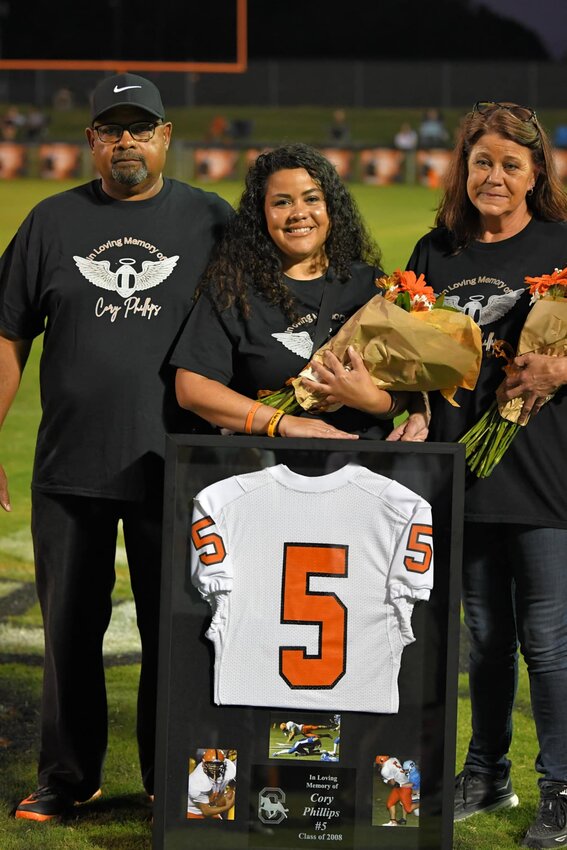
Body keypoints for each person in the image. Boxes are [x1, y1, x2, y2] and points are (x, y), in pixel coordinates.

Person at [0, 72, 232, 822]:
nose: (126, 139)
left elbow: (253, 329)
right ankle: (69, 776)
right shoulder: (50, 222)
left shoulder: (211, 219)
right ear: (92, 141)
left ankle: (173, 772)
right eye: (111, 129)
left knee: (182, 625)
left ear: (166, 137)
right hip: (73, 463)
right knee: (68, 628)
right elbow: (8, 335)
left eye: (140, 127)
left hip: (182, 464)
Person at [406, 101, 567, 849]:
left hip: (544, 471)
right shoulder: (435, 253)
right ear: (461, 169)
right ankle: (487, 771)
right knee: (482, 637)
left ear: (535, 172)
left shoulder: (563, 244)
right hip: (462, 472)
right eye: (480, 161)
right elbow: (407, 358)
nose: (493, 175)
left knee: (546, 639)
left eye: (509, 163)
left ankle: (560, 791)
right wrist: (405, 404)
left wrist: (560, 366)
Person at [172, 143, 429, 441]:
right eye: (282, 202)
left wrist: (370, 399)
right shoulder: (234, 290)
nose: (299, 213)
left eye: (312, 199)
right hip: (268, 470)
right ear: (261, 215)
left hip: (359, 469)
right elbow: (191, 388)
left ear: (331, 207)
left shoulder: (371, 287)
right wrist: (281, 423)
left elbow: (405, 392)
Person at [186, 749, 236, 819]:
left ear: (225, 764)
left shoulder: (230, 769)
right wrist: (227, 807)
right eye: (211, 766)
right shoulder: (196, 782)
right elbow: (206, 811)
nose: (214, 770)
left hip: (211, 805)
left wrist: (231, 790)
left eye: (218, 765)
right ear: (203, 764)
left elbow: (233, 782)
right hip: (194, 811)